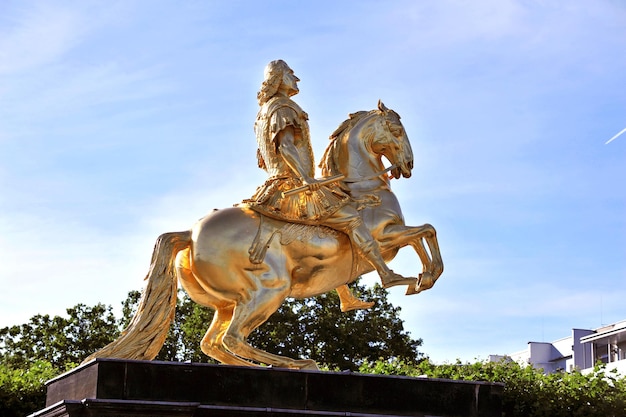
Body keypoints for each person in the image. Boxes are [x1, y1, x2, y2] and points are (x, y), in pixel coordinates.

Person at [244, 60, 415, 290]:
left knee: (333, 231)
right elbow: (285, 147)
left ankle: (345, 295)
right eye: (290, 73)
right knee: (352, 221)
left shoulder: (263, 114)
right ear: (279, 79)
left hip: (273, 187)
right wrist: (305, 178)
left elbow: (264, 160)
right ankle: (386, 274)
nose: (296, 78)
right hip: (291, 187)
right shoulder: (283, 108)